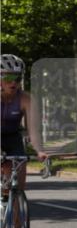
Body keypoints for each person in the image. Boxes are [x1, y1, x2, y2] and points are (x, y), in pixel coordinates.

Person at [1, 54, 48, 194]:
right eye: (8, 78)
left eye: (18, 78)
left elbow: (33, 130)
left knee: (18, 187)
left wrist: (39, 150)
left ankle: (16, 211)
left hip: (13, 137)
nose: (13, 82)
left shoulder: (26, 99)